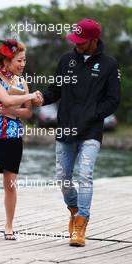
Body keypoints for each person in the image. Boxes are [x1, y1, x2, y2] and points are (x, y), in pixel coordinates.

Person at [33, 18, 121, 246]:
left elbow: (113, 100)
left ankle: (81, 223)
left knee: (85, 176)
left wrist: (92, 115)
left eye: (82, 42)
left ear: (94, 40)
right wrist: (41, 98)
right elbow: (55, 89)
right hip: (65, 130)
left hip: (91, 131)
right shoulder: (66, 60)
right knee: (63, 179)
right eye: (76, 40)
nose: (77, 45)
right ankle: (74, 209)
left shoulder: (110, 65)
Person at [0, 39, 37, 240]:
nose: (22, 64)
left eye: (24, 60)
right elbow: (6, 99)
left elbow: (27, 113)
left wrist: (16, 108)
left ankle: (9, 226)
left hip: (13, 137)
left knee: (10, 184)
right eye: (19, 60)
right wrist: (30, 96)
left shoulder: (22, 82)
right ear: (6, 61)